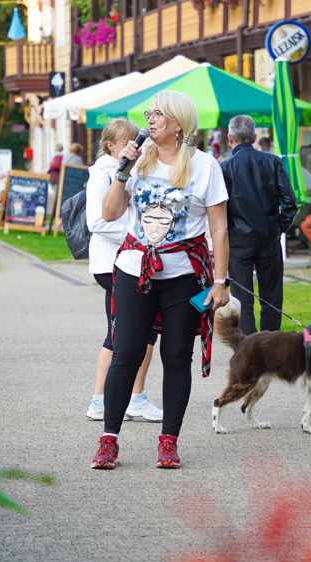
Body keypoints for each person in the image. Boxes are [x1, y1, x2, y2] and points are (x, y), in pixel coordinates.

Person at [92, 90, 230, 470]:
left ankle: (169, 441)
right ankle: (109, 440)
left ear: (178, 124)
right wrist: (122, 171)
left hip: (184, 276)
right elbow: (110, 212)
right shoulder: (136, 162)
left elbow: (219, 228)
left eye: (158, 114)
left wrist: (221, 281)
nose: (149, 120)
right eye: (149, 114)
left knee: (175, 356)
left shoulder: (205, 167)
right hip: (135, 271)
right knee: (126, 354)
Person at [85, 118, 162, 423]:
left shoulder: (133, 168)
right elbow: (98, 222)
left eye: (139, 142)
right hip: (114, 262)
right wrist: (141, 234)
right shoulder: (103, 173)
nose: (137, 148)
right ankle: (101, 399)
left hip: (133, 259)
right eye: (130, 143)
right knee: (120, 333)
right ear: (111, 146)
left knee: (144, 332)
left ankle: (134, 397)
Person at [221, 115, 297, 335]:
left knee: (242, 298)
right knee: (271, 297)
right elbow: (290, 204)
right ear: (254, 137)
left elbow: (220, 209)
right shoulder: (272, 162)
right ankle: (270, 346)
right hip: (269, 239)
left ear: (229, 138)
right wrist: (278, 227)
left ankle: (248, 349)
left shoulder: (225, 167)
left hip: (238, 242)